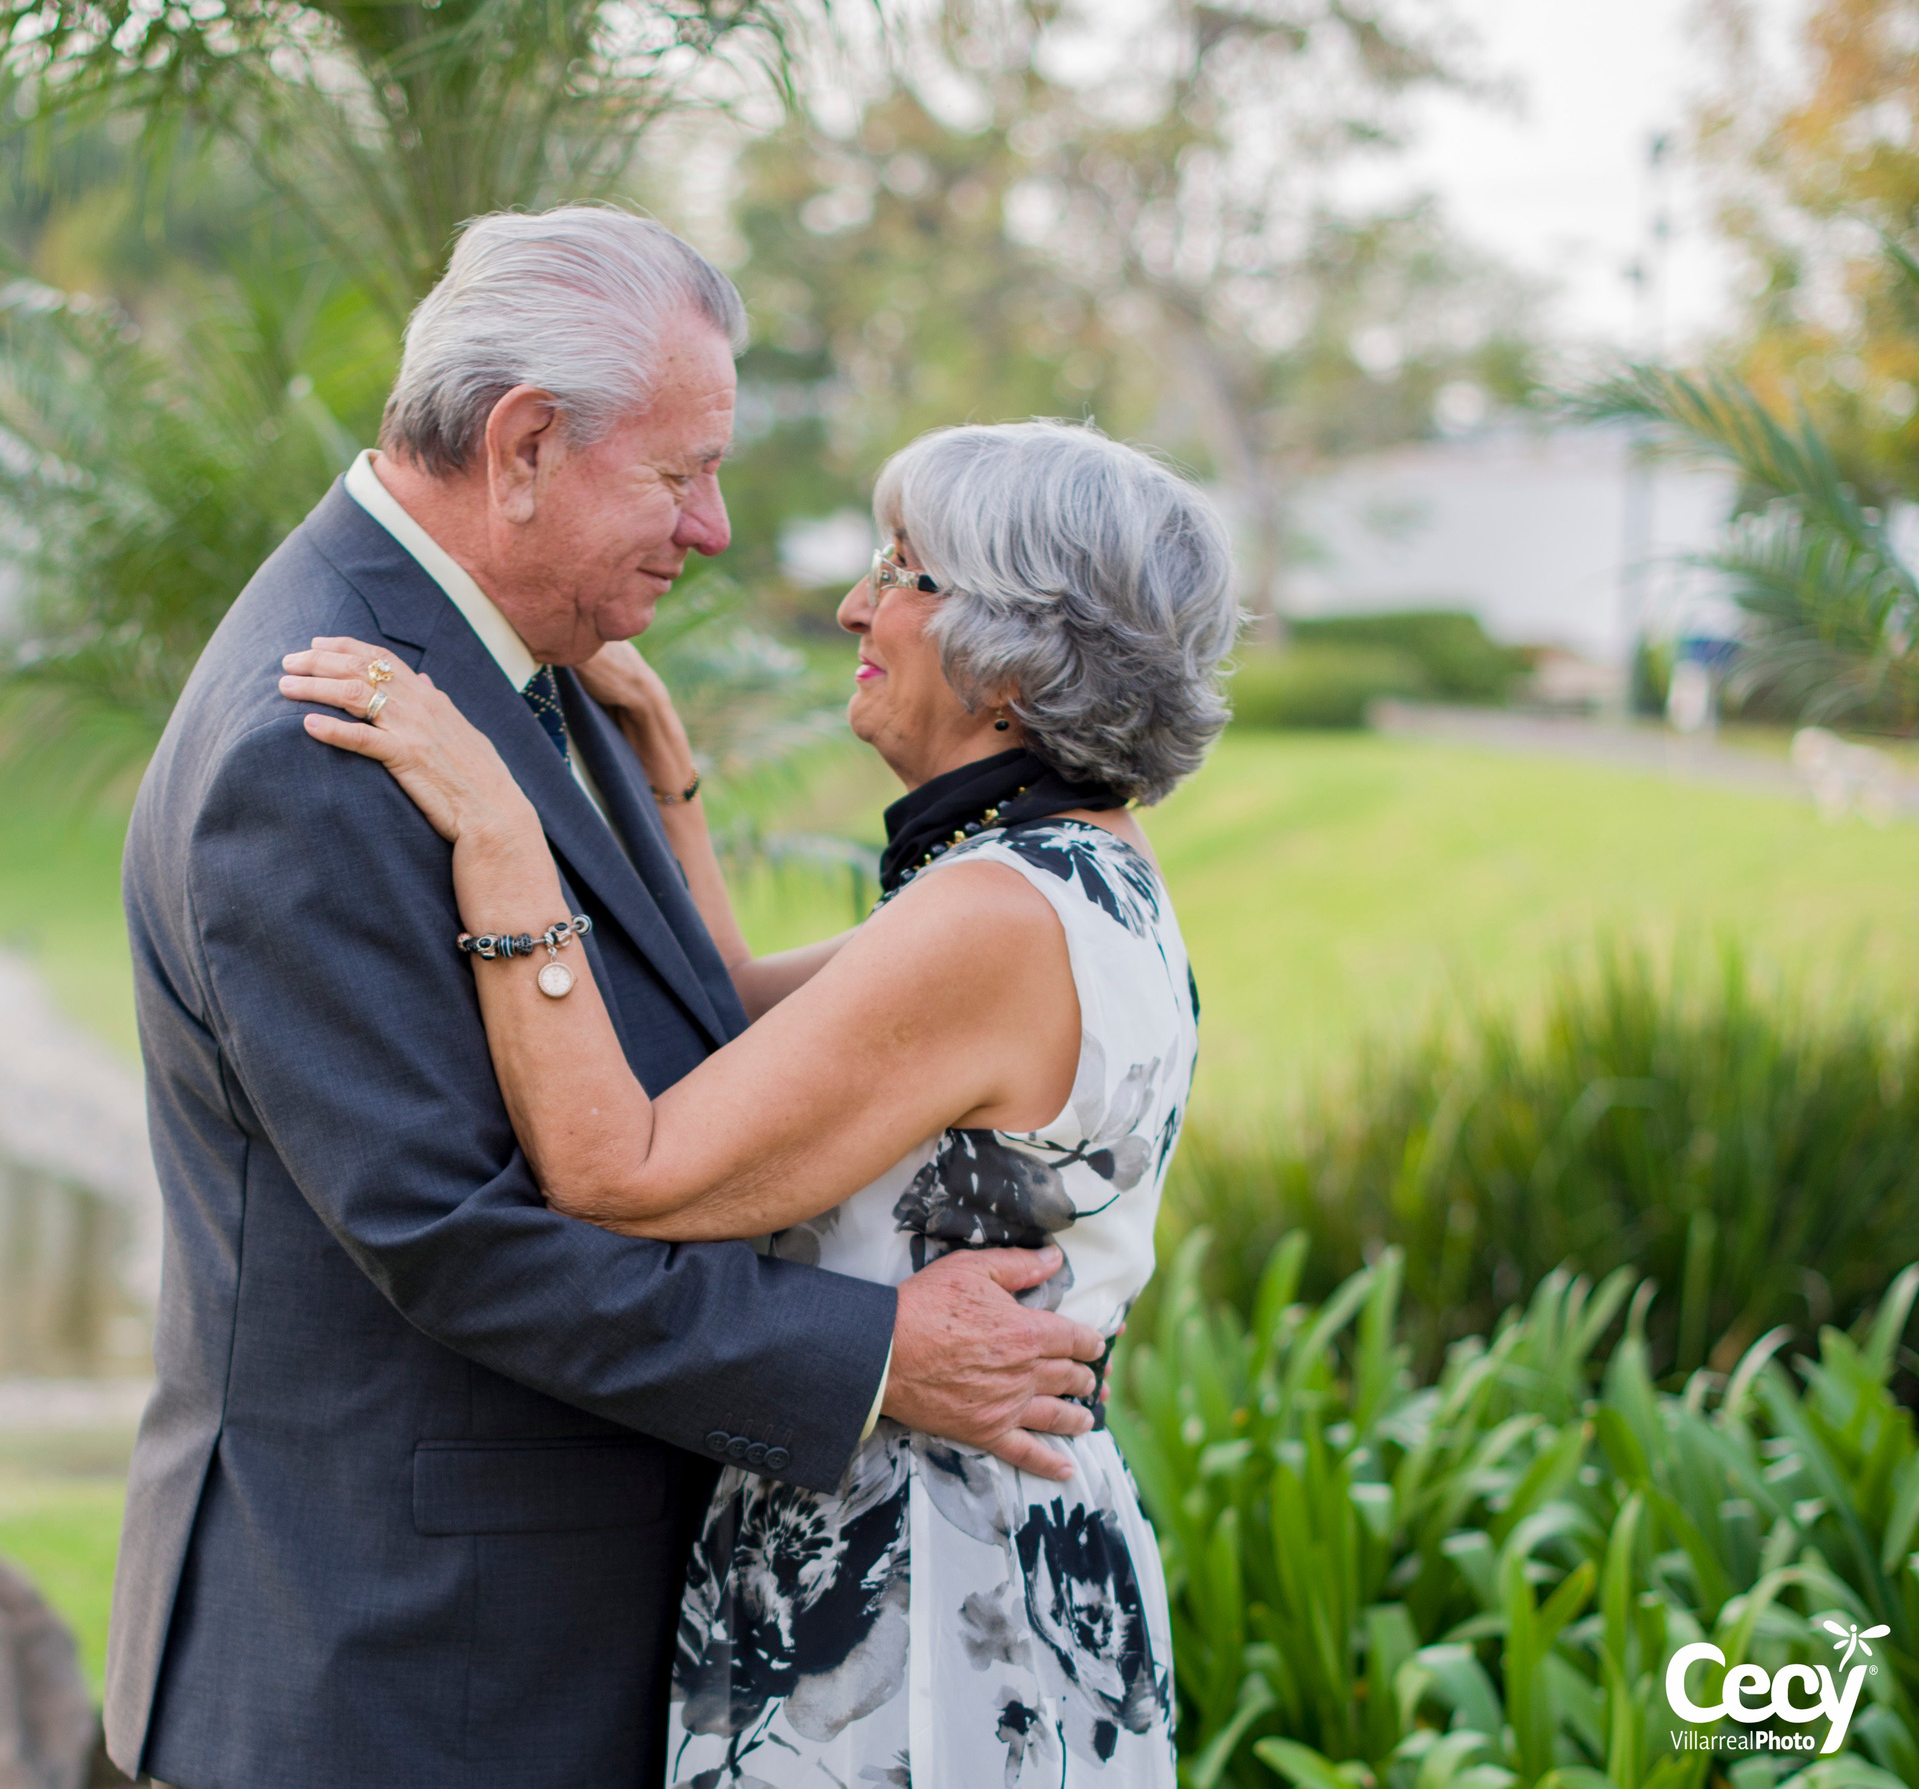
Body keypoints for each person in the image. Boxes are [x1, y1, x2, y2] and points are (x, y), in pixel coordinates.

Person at [105, 208, 1109, 1789]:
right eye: (677, 473)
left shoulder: (537, 665)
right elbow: (452, 1232)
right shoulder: (313, 744)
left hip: (520, 1641)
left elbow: (685, 1026)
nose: (712, 526)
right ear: (520, 446)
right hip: (401, 1667)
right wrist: (869, 1355)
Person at [283, 415, 1238, 1786]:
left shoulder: (991, 917)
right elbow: (735, 1007)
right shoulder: (1081, 869)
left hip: (914, 1588)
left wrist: (503, 839)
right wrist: (663, 769)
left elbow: (622, 1171)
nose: (857, 601)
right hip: (983, 1539)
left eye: (904, 572)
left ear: (1019, 658)